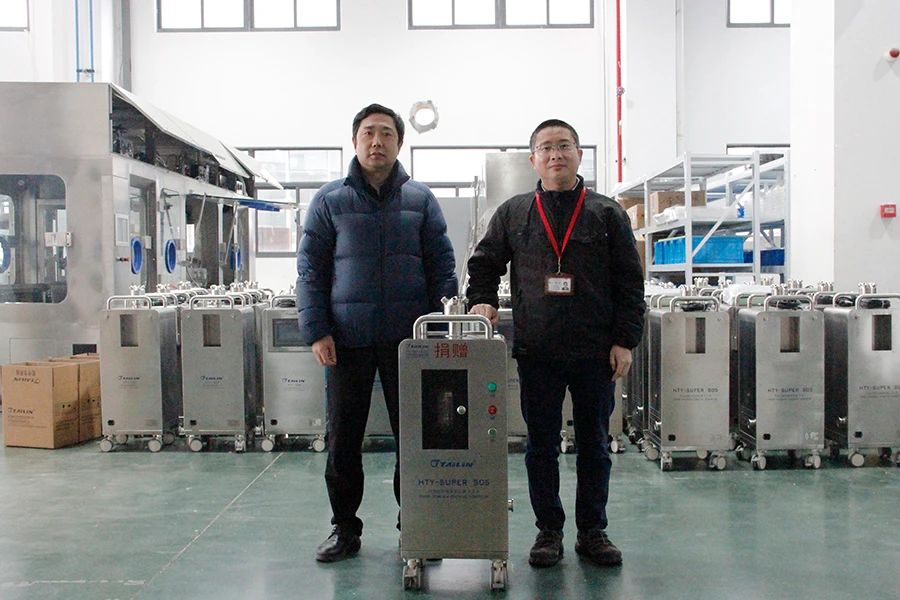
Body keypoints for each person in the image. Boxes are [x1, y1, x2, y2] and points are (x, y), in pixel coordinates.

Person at [466, 119, 645, 568]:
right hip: (538, 352)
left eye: (564, 146)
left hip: (595, 352)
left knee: (595, 444)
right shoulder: (514, 213)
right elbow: (483, 263)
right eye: (546, 148)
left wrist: (625, 340)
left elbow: (630, 282)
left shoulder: (607, 213)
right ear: (534, 160)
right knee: (541, 446)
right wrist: (482, 300)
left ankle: (592, 531)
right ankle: (548, 530)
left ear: (579, 155)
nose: (555, 154)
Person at [297, 103, 458, 563]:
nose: (377, 142)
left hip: (410, 343)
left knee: (416, 438)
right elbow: (310, 270)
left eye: (386, 133)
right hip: (346, 341)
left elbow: (442, 266)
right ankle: (344, 528)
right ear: (355, 141)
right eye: (368, 133)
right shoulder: (329, 200)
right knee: (343, 439)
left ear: (399, 143)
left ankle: (416, 527)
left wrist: (440, 328)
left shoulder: (420, 200)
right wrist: (317, 331)